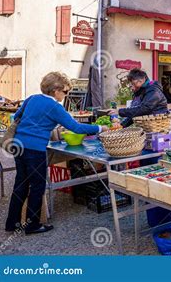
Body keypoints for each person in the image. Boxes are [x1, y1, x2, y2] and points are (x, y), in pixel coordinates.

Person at [6, 72, 107, 235]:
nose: (65, 95)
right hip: (35, 149)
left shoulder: (31, 98)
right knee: (38, 186)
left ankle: (12, 222)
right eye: (65, 92)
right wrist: (100, 128)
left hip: (18, 146)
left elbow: (16, 117)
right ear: (56, 90)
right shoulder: (55, 107)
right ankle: (32, 225)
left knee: (21, 184)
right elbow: (77, 128)